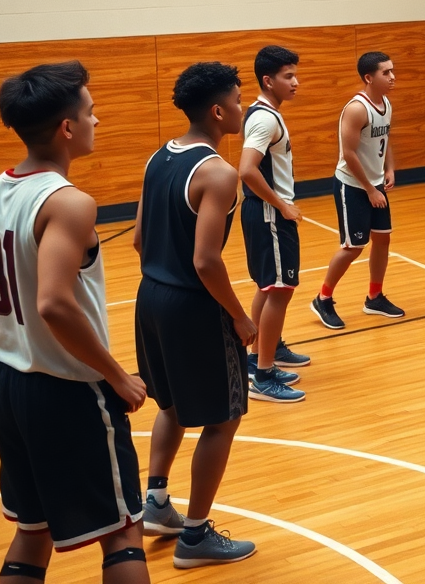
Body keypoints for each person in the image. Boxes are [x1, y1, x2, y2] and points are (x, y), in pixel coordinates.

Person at [0, 61, 151, 584]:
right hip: (67, 390)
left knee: (33, 529)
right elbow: (54, 303)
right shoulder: (70, 203)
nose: (97, 121)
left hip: (8, 384)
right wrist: (117, 376)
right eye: (92, 112)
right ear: (67, 128)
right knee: (124, 531)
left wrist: (0, 337)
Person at [134, 62, 259, 568]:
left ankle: (156, 503)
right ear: (216, 110)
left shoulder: (158, 157)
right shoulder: (218, 174)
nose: (242, 106)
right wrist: (240, 317)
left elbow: (141, 239)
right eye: (237, 99)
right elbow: (206, 260)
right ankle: (194, 537)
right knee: (224, 418)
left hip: (151, 298)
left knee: (171, 405)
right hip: (192, 307)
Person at [311, 51, 402, 330]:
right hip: (352, 185)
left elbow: (385, 138)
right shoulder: (356, 109)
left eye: (392, 70)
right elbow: (348, 153)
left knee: (383, 239)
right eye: (385, 72)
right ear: (368, 77)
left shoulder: (385, 103)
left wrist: (389, 168)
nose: (392, 77)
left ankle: (374, 296)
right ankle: (322, 298)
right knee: (353, 247)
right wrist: (369, 189)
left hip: (374, 183)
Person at [239, 46, 309, 403]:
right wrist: (282, 205)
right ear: (268, 81)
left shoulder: (263, 114)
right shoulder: (265, 119)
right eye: (288, 76)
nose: (295, 82)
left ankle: (259, 358)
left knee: (268, 288)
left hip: (262, 214)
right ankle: (263, 378)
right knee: (280, 290)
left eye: (295, 74)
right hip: (269, 215)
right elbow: (246, 169)